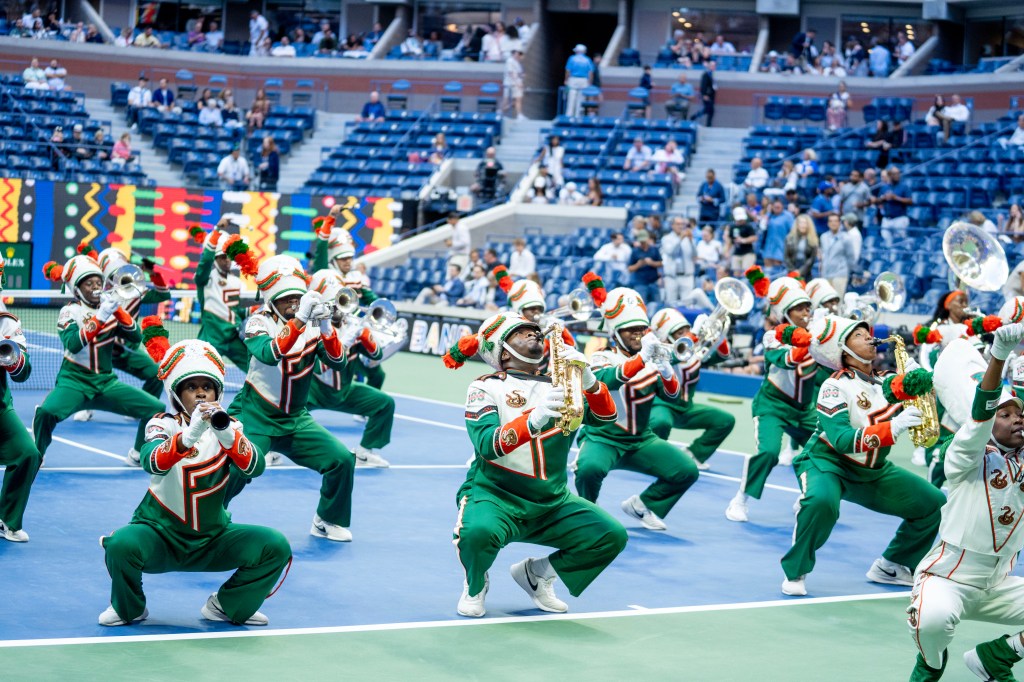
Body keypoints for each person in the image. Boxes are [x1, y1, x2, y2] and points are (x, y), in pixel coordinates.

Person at [98, 328, 291, 627]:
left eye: (207, 387)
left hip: (212, 538)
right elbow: (152, 461)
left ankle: (227, 606)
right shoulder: (161, 424)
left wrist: (225, 433)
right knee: (122, 544)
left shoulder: (231, 427)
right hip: (160, 536)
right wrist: (187, 438)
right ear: (176, 394)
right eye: (191, 387)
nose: (201, 393)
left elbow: (255, 467)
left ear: (217, 393)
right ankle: (131, 607)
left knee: (275, 545)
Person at [445, 311, 624, 617]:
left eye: (534, 331)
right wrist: (535, 418)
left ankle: (537, 574)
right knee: (476, 533)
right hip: (496, 494)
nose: (534, 334)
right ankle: (476, 584)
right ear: (502, 350)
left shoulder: (564, 382)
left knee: (610, 535)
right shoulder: (485, 387)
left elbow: (608, 419)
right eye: (521, 332)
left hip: (552, 499)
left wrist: (591, 382)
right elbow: (487, 445)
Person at [780, 314, 945, 597]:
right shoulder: (834, 386)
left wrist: (925, 377)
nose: (869, 337)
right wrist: (893, 426)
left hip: (872, 470)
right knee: (821, 503)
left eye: (867, 333)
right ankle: (796, 570)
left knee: (933, 503)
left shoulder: (888, 380)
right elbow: (842, 440)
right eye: (858, 335)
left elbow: (924, 391)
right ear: (842, 349)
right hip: (827, 463)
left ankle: (893, 565)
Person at [906, 323, 1024, 681]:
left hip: (1000, 581)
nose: (1017, 417)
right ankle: (931, 663)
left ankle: (998, 656)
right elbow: (980, 416)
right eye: (1006, 414)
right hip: (948, 577)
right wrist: (998, 357)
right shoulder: (965, 454)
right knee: (932, 622)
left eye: (1020, 412)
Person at [223, 255, 356, 540]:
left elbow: (338, 362)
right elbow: (269, 354)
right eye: (286, 299)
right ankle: (208, 518)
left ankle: (327, 519)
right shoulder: (257, 321)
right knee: (237, 468)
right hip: (255, 414)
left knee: (342, 459)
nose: (293, 303)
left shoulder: (310, 323)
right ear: (271, 301)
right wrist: (299, 319)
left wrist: (326, 327)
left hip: (296, 418)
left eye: (297, 297)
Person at [574, 279, 697, 531]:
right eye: (630, 329)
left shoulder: (652, 356)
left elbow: (671, 395)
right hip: (603, 437)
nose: (638, 334)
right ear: (616, 332)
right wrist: (642, 359)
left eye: (641, 328)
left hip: (641, 439)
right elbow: (605, 381)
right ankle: (587, 512)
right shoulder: (602, 355)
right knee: (588, 469)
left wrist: (665, 370)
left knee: (687, 470)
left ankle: (642, 505)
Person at [33, 255, 166, 464]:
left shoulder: (111, 308)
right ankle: (36, 454)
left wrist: (119, 311)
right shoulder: (69, 311)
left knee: (156, 408)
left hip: (106, 382)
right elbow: (73, 344)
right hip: (74, 381)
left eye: (98, 282)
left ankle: (138, 453)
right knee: (46, 412)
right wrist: (101, 316)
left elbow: (137, 337)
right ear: (77, 289)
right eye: (89, 283)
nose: (95, 286)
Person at [726, 275, 819, 523]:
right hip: (773, 405)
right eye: (799, 308)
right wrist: (817, 339)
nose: (806, 312)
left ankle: (808, 497)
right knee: (768, 452)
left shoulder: (817, 331)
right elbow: (788, 359)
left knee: (826, 448)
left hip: (804, 409)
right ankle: (740, 499)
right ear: (785, 312)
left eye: (807, 306)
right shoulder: (772, 337)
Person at [305, 270, 395, 468]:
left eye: (340, 299)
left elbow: (377, 356)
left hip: (345, 390)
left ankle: (364, 452)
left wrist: (366, 336)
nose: (338, 307)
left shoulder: (353, 324)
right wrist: (343, 343)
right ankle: (272, 449)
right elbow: (319, 368)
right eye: (332, 301)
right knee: (282, 407)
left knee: (385, 403)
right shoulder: (313, 327)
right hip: (313, 391)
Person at [649, 309, 735, 471]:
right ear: (666, 337)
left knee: (725, 420)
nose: (686, 334)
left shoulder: (694, 352)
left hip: (686, 408)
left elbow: (722, 356)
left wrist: (717, 334)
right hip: (661, 407)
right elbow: (674, 356)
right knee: (661, 422)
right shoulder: (658, 353)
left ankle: (694, 454)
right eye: (679, 332)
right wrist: (694, 333)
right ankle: (654, 458)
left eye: (687, 330)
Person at [0, 254, 42, 542]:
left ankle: (6, 519)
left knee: (28, 453)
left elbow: (23, 372)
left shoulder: (5, 320)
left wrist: (12, 359)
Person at [193, 223, 252, 373]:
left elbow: (234, 311)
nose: (226, 260)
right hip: (212, 339)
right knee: (200, 374)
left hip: (233, 337)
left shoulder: (235, 281)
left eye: (228, 257)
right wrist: (217, 230)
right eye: (222, 257)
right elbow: (205, 261)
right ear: (215, 259)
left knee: (256, 369)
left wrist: (252, 310)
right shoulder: (205, 279)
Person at [872, 165, 912, 247]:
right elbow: (878, 200)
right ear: (890, 175)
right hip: (887, 218)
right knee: (886, 242)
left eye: (898, 173)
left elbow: (910, 201)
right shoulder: (885, 187)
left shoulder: (904, 187)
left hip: (900, 218)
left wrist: (895, 197)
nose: (897, 175)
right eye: (895, 174)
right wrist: (883, 198)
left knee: (900, 242)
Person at [626, 230, 662, 305]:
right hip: (640, 283)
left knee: (657, 305)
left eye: (644, 241)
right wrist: (638, 264)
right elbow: (629, 268)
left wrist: (652, 263)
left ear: (648, 239)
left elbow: (661, 263)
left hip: (653, 282)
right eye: (641, 242)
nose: (643, 243)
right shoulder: (635, 251)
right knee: (641, 305)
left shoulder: (654, 249)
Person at [784, 214, 820, 280]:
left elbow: (811, 259)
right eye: (801, 223)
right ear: (797, 225)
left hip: (806, 272)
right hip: (791, 271)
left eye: (805, 223)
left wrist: (800, 271)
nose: (803, 225)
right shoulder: (789, 238)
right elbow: (786, 257)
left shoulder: (813, 240)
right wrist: (793, 271)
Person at [563, 44, 594, 117]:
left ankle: (569, 115)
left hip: (573, 79)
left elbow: (568, 70)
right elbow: (590, 72)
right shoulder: (587, 60)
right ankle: (578, 115)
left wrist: (566, 80)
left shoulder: (572, 58)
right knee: (581, 99)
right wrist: (589, 82)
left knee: (571, 97)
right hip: (583, 80)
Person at [725, 206, 757, 275]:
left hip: (747, 253)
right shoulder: (732, 227)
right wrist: (727, 251)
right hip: (736, 253)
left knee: (747, 272)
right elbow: (730, 240)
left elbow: (754, 237)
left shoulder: (748, 226)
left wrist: (743, 240)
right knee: (736, 273)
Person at [763, 199, 794, 267]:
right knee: (767, 267)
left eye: (778, 207)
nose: (776, 208)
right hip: (769, 246)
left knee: (777, 268)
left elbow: (793, 231)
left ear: (782, 206)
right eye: (775, 207)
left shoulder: (788, 216)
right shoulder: (769, 216)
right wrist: (768, 212)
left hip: (781, 246)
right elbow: (762, 226)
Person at [691, 60, 717, 126]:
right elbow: (703, 85)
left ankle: (707, 124)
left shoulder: (712, 75)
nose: (713, 67)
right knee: (709, 110)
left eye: (714, 66)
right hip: (707, 96)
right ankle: (694, 117)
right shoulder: (706, 75)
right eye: (712, 66)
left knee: (709, 111)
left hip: (711, 96)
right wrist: (704, 95)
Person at [504, 49, 525, 119]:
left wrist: (521, 77)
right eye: (517, 53)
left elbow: (518, 73)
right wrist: (517, 83)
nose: (518, 55)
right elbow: (511, 73)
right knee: (507, 100)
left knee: (518, 99)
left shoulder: (518, 62)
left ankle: (519, 114)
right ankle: (501, 112)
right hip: (511, 84)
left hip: (517, 84)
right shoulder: (510, 61)